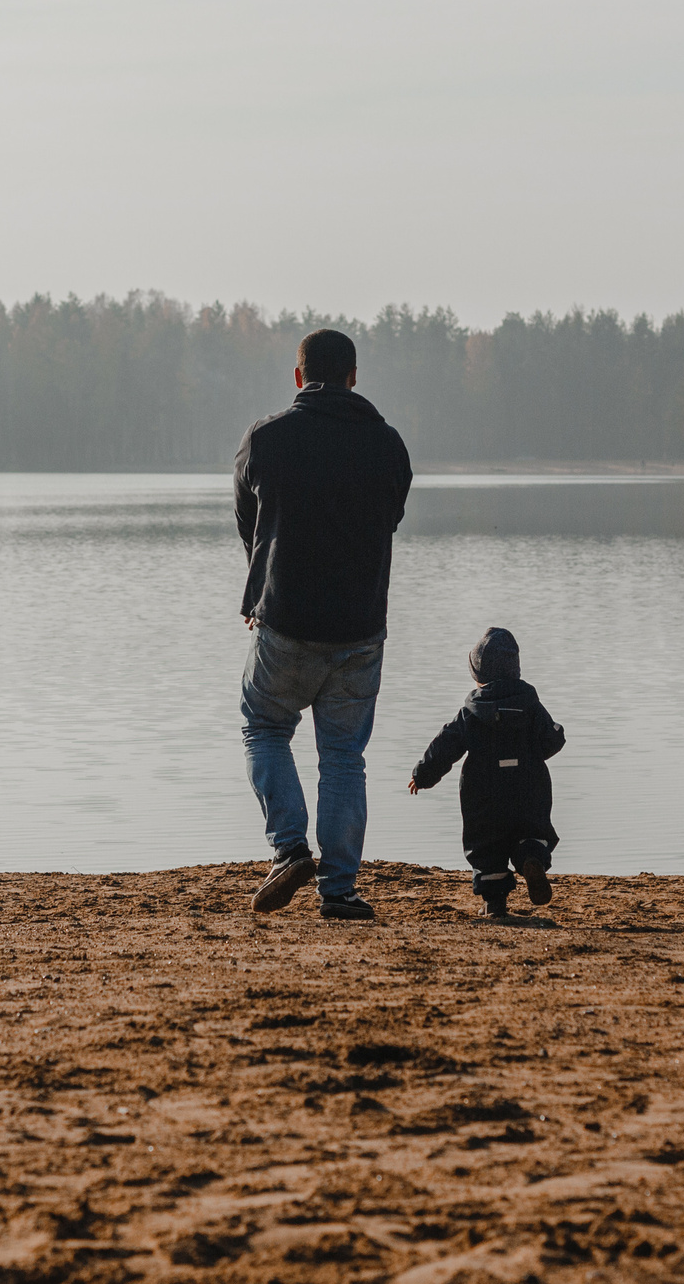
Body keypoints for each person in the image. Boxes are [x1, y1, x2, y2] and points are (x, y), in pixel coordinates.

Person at [233, 327, 413, 921]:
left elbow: (250, 525)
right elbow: (389, 518)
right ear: (354, 376)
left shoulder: (265, 439)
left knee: (264, 724)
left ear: (298, 376)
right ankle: (338, 890)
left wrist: (266, 587)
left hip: (285, 620)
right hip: (360, 628)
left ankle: (289, 849)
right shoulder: (388, 445)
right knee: (342, 759)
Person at [408, 627, 565, 921]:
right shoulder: (531, 705)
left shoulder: (471, 711)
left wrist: (423, 774)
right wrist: (544, 743)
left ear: (478, 674)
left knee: (486, 846)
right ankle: (530, 858)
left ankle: (495, 905)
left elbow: (446, 744)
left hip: (483, 795)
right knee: (531, 833)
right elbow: (551, 741)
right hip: (528, 789)